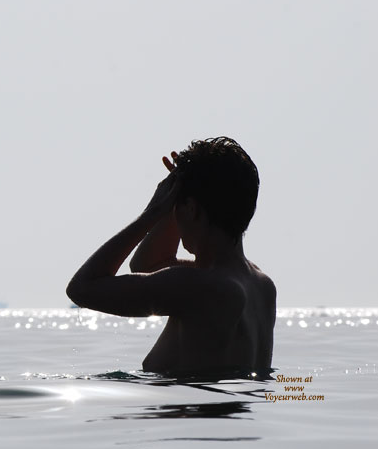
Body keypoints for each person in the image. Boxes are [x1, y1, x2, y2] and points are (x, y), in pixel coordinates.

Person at [66, 137, 276, 378]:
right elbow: (147, 264)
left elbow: (81, 288)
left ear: (192, 209)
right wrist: (184, 193)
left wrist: (151, 214)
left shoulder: (198, 286)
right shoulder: (262, 286)